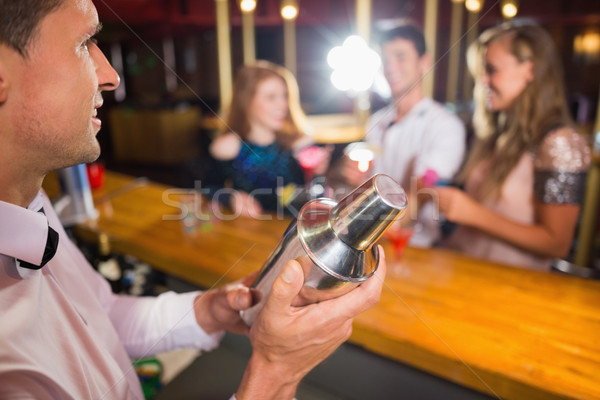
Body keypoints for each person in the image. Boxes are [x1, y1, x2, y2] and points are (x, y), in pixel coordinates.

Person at [0, 1, 386, 399]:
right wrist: (276, 375)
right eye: (84, 43)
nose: (113, 76)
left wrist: (209, 310)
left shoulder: (34, 203)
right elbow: (199, 186)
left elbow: (102, 314)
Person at [435, 20, 591, 271]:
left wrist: (474, 214)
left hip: (508, 292)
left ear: (529, 70)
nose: (483, 81)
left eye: (491, 69)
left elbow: (557, 244)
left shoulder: (559, 142)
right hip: (461, 274)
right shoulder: (495, 133)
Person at [333, 22, 466, 247]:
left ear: (424, 62)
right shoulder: (377, 121)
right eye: (386, 60)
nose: (391, 67)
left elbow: (424, 190)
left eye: (401, 57)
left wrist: (373, 228)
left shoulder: (446, 125)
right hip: (371, 242)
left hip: (419, 245)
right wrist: (348, 175)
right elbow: (364, 183)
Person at [208, 61, 330, 217]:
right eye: (271, 97)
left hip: (295, 229)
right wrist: (231, 197)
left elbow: (316, 196)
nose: (283, 105)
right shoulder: (228, 147)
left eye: (284, 96)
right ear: (247, 101)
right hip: (253, 231)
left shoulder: (300, 142)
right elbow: (207, 188)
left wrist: (317, 174)